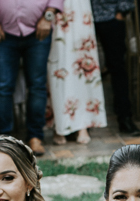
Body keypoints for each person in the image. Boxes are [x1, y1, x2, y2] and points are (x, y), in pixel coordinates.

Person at [0, 0, 60, 156]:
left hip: (39, 30)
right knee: (3, 86)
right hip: (3, 31)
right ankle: (1, 139)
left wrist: (48, 16)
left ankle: (35, 137)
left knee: (37, 85)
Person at [47, 0, 107, 146]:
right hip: (52, 9)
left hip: (78, 8)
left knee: (81, 60)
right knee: (57, 64)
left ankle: (82, 124)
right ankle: (59, 124)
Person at [90, 0, 139, 136]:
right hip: (80, 18)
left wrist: (122, 11)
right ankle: (81, 122)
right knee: (79, 69)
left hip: (110, 16)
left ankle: (125, 118)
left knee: (117, 68)